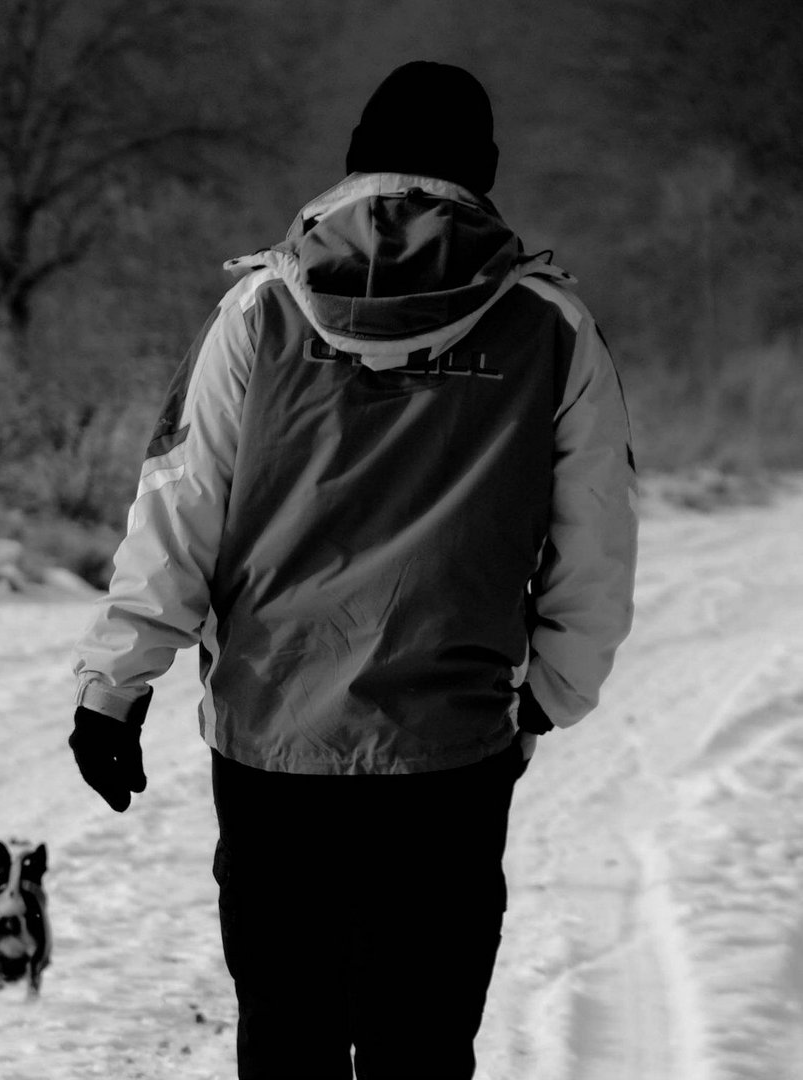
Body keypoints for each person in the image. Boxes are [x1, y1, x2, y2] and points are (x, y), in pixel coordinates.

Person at [68, 61, 638, 1078]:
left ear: (355, 163)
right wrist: (543, 698)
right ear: (485, 172)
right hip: (450, 748)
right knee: (421, 1042)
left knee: (288, 1037)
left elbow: (178, 503)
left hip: (271, 739)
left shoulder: (257, 313)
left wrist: (114, 688)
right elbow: (596, 538)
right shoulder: (552, 328)